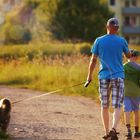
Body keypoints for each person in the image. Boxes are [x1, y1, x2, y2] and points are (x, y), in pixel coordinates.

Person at [85, 17, 131, 140]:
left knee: (104, 105)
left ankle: (106, 132)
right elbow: (128, 56)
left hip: (104, 76)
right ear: (117, 29)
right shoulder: (122, 41)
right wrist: (128, 53)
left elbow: (93, 60)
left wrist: (89, 76)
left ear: (107, 27)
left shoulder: (98, 41)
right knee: (118, 105)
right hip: (118, 76)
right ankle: (113, 129)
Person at [123, 50, 140, 140]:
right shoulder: (139, 67)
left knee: (127, 111)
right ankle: (136, 132)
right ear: (137, 57)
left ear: (127, 56)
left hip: (126, 92)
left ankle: (128, 132)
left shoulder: (124, 67)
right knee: (136, 111)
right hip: (136, 92)